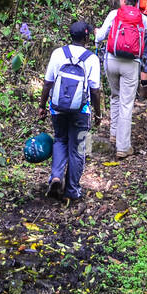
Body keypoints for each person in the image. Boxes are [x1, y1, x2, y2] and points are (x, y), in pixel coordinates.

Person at [94, 0, 147, 158]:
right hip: (131, 64)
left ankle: (113, 134)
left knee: (115, 96)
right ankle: (123, 147)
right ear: (137, 2)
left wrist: (97, 34)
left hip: (111, 61)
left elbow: (99, 37)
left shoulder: (114, 14)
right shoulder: (142, 18)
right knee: (126, 103)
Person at [39, 20, 102, 201]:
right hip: (81, 111)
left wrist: (42, 105)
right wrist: (98, 113)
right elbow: (95, 90)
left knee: (60, 140)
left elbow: (48, 83)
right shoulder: (91, 58)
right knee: (78, 148)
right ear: (86, 37)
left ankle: (56, 177)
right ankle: (72, 189)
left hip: (57, 108)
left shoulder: (58, 53)